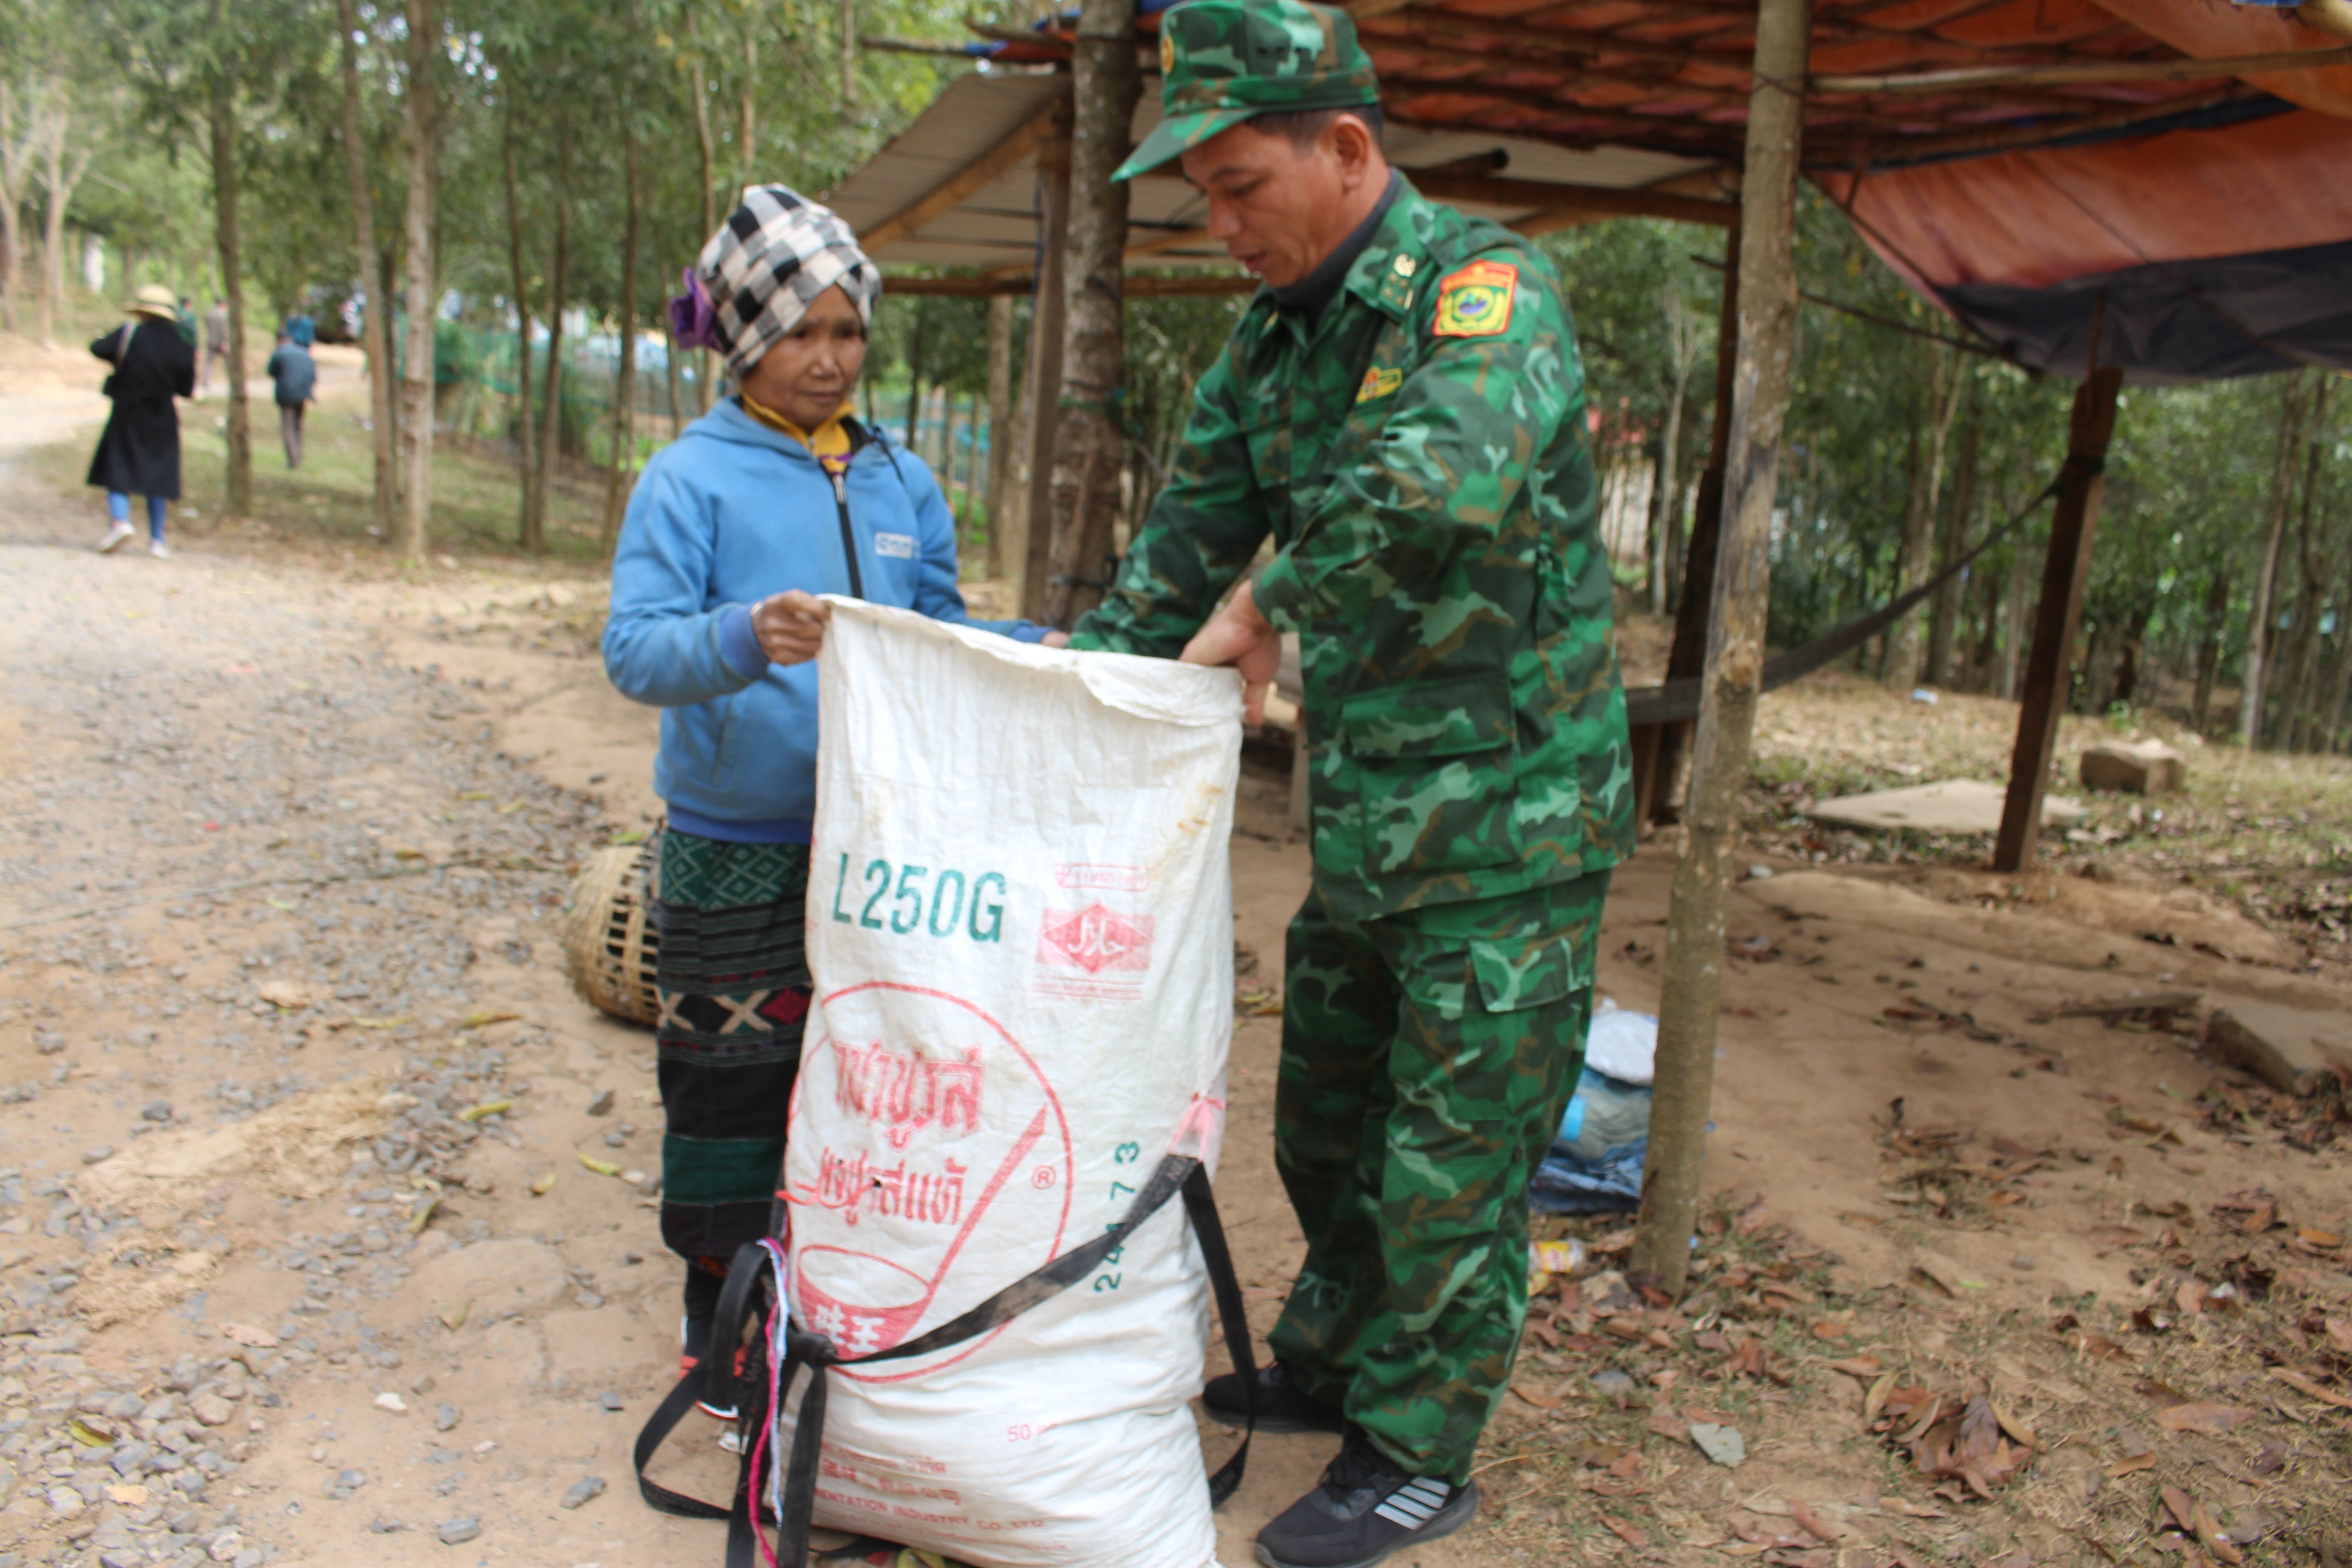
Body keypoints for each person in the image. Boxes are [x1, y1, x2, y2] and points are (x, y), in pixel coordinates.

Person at [1063, 3, 1633, 1563]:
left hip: (1512, 823)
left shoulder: (1484, 291)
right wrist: (1062, 700)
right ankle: (1332, 1356)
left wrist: (1262, 604)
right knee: (1325, 1122)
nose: (1219, 221)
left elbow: (1439, 476)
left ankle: (1416, 1450)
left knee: (1451, 1156)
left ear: (1347, 151)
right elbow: (1176, 547)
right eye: (1201, 195)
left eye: (1240, 185)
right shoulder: (1269, 341)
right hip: (1375, 815)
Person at [602, 185, 1065, 1417]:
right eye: (799, 333)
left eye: (846, 331)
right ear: (746, 339)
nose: (827, 358)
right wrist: (746, 635)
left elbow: (943, 632)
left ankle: (846, 1315)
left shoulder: (901, 479)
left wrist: (1055, 647)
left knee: (867, 1085)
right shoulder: (689, 479)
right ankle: (722, 1332)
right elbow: (636, 651)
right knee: (732, 1090)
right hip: (737, 845)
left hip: (887, 848)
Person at [88, 283, 197, 560]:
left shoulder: (130, 334)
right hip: (162, 415)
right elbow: (186, 389)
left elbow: (98, 348)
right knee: (158, 476)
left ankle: (120, 522)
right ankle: (157, 540)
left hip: (128, 412)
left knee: (118, 467)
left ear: (142, 312)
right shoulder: (182, 344)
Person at [266, 328, 317, 470]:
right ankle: (299, 455)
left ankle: (293, 460)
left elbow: (271, 372)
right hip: (303, 393)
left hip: (286, 394)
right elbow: (312, 375)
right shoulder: (305, 353)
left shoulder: (279, 353)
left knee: (288, 427)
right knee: (298, 425)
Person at [200, 297, 228, 395]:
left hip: (212, 342)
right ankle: (231, 381)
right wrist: (225, 342)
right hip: (222, 343)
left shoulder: (210, 314)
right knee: (228, 364)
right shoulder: (224, 316)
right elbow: (225, 331)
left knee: (209, 364)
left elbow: (207, 326)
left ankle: (206, 382)